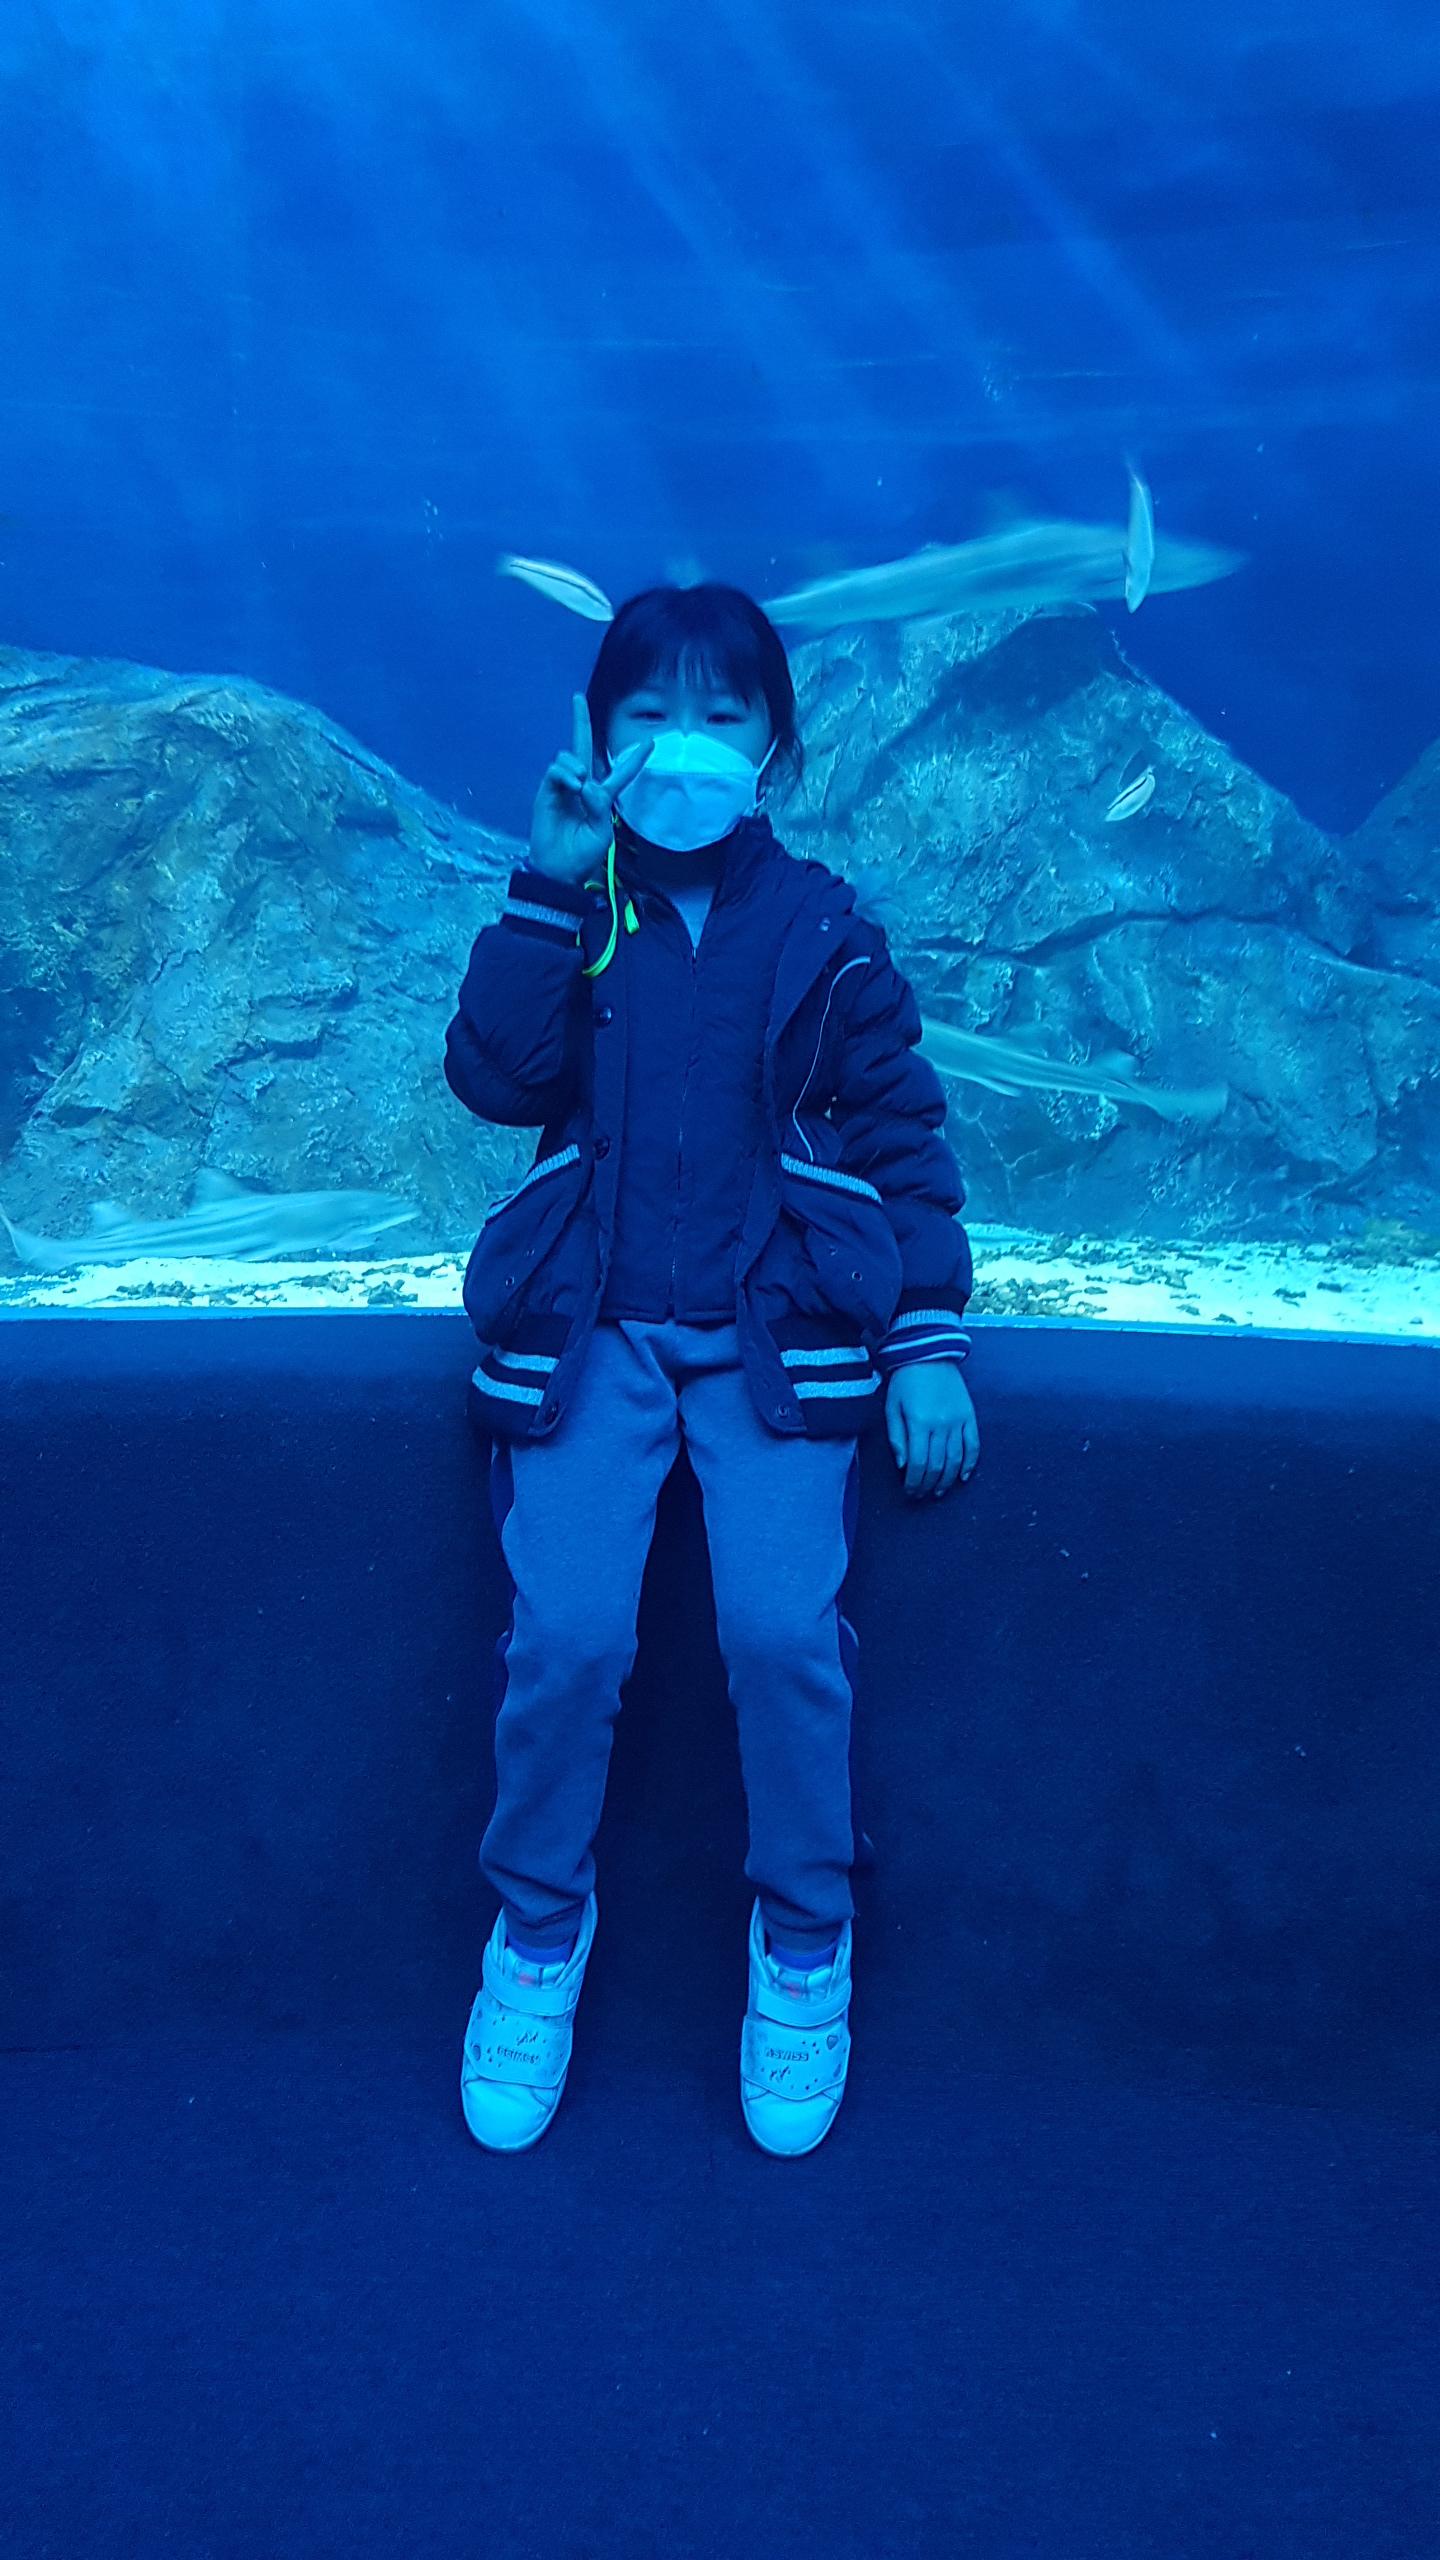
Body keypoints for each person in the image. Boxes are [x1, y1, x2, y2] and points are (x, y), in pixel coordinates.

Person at [444, 583, 979, 2157]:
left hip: (776, 1337)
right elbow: (494, 1078)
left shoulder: (824, 929)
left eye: (721, 715)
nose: (684, 743)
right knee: (567, 1638)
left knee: (779, 1633)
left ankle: (805, 1937)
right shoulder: (577, 902)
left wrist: (926, 1340)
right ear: (597, 741)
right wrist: (545, 887)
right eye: (649, 714)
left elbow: (902, 1137)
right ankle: (536, 1930)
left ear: (777, 752)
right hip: (591, 1332)